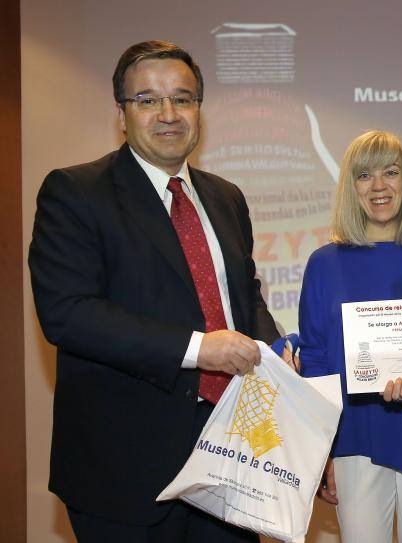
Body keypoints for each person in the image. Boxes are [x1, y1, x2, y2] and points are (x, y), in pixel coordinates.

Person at [28, 40, 292, 542]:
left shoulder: (225, 197)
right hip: (124, 469)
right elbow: (67, 313)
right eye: (148, 100)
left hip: (232, 461)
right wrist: (199, 348)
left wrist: (274, 352)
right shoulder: (76, 192)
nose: (168, 113)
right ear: (121, 114)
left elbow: (243, 293)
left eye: (183, 98)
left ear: (199, 109)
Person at [298, 130, 402, 543]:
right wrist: (323, 450)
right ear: (350, 187)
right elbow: (316, 360)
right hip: (354, 435)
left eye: (390, 172)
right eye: (364, 175)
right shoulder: (323, 264)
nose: (379, 186)